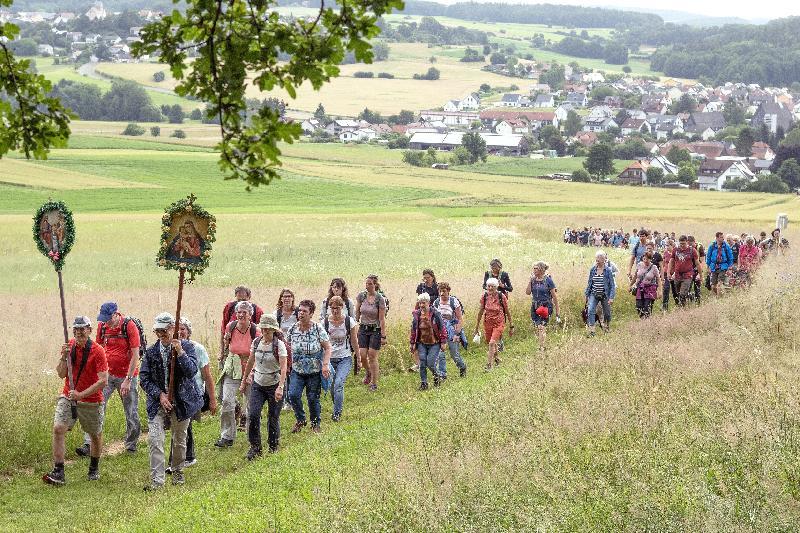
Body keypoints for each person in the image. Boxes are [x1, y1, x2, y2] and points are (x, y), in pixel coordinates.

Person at [43, 316, 108, 486]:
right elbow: (61, 374)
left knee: (95, 434)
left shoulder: (98, 350)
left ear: (89, 330)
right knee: (58, 428)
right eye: (76, 329)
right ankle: (59, 471)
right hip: (68, 395)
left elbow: (103, 381)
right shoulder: (68, 346)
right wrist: (64, 357)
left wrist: (81, 394)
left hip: (91, 400)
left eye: (83, 328)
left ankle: (94, 468)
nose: (79, 332)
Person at [139, 313, 202, 490]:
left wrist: (180, 352)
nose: (161, 334)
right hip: (157, 402)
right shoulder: (151, 352)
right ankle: (157, 481)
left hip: (182, 401)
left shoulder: (187, 347)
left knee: (179, 439)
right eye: (157, 331)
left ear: (172, 329)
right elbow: (144, 378)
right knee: (155, 439)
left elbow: (191, 372)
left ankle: (178, 472)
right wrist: (160, 395)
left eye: (164, 330)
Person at [75, 301, 141, 458]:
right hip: (107, 375)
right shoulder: (103, 326)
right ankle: (89, 444)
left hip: (127, 375)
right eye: (103, 318)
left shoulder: (129, 326)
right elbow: (97, 349)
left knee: (131, 410)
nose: (105, 322)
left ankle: (131, 445)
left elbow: (135, 355)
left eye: (107, 318)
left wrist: (128, 379)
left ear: (115, 314)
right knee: (96, 406)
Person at [167, 317, 216, 473]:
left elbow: (207, 376)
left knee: (182, 424)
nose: (180, 332)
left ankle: (182, 459)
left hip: (192, 393)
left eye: (183, 328)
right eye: (177, 329)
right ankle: (185, 457)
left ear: (188, 331)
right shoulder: (168, 347)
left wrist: (213, 400)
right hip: (176, 393)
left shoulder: (197, 349)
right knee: (181, 425)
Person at [240, 315, 287, 459]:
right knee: (253, 415)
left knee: (273, 417)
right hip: (258, 384)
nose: (265, 332)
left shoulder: (279, 345)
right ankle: (255, 447)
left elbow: (284, 367)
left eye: (268, 330)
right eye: (263, 329)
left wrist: (280, 387)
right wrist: (244, 381)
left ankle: (273, 446)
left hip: (274, 384)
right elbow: (250, 361)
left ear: (273, 330)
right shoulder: (256, 342)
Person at [216, 301, 260, 447]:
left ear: (250, 315)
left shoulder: (255, 331)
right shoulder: (231, 326)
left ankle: (251, 436)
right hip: (233, 368)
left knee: (250, 404)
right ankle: (227, 437)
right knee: (227, 401)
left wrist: (252, 372)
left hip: (250, 368)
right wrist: (222, 354)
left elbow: (258, 354)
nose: (241, 315)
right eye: (239, 312)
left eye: (244, 312)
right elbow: (226, 343)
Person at [287, 300, 332, 433]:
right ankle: (300, 419)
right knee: (293, 395)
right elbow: (287, 348)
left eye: (304, 311)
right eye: (299, 310)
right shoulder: (292, 329)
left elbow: (328, 348)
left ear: (311, 314)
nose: (301, 313)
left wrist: (325, 365)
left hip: (314, 370)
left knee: (313, 398)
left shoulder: (317, 329)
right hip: (297, 370)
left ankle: (315, 424)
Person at [322, 295, 358, 421]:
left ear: (342, 307)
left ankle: (336, 413)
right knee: (332, 386)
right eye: (332, 308)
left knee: (338, 383)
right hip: (330, 359)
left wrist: (358, 358)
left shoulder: (349, 321)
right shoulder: (325, 323)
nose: (335, 311)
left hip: (345, 357)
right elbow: (322, 343)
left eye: (337, 308)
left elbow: (354, 341)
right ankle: (337, 405)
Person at [355, 275, 387, 392]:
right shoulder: (361, 296)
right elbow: (357, 312)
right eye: (366, 283)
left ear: (375, 285)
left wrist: (383, 335)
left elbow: (382, 319)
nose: (367, 286)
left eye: (370, 284)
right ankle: (368, 372)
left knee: (372, 355)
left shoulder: (380, 299)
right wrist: (353, 326)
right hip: (363, 328)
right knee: (362, 355)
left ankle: (374, 383)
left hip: (375, 329)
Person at [410, 293, 448, 390]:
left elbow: (442, 328)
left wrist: (443, 342)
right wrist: (412, 343)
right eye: (420, 303)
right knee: (422, 363)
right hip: (422, 343)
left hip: (434, 343)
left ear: (428, 302)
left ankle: (437, 376)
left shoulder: (435, 313)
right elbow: (414, 330)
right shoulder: (417, 315)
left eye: (424, 303)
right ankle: (424, 383)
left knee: (430, 363)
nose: (422, 305)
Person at [474, 278, 512, 370]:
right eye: (488, 286)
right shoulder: (484, 296)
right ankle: (497, 358)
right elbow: (481, 311)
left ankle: (489, 365)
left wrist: (511, 325)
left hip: (499, 322)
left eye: (492, 286)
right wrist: (477, 326)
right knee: (490, 342)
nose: (490, 288)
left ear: (496, 287)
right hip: (488, 322)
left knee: (492, 343)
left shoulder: (501, 296)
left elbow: (507, 311)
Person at [431, 282, 467, 379]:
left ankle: (462, 367)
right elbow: (434, 319)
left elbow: (460, 319)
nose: (442, 293)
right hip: (440, 331)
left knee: (454, 354)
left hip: (452, 330)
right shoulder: (436, 303)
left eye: (444, 291)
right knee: (440, 353)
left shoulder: (454, 301)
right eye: (440, 291)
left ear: (448, 291)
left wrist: (456, 334)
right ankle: (443, 374)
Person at [525, 261, 560, 351]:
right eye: (534, 268)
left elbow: (555, 297)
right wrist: (529, 281)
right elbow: (528, 292)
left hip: (545, 306)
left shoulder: (548, 280)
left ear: (541, 269)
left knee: (541, 327)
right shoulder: (533, 280)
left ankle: (541, 347)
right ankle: (542, 344)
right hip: (535, 306)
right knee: (538, 327)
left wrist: (557, 313)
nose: (534, 270)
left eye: (536, 268)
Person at [220, 286, 264, 356]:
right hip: (231, 352)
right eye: (239, 300)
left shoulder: (257, 311)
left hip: (249, 354)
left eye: (244, 300)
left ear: (249, 297)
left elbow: (263, 331)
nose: (241, 303)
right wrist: (222, 352)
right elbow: (223, 330)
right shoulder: (229, 308)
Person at [276, 288, 299, 409]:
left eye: (289, 296)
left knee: (292, 374)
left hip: (295, 348)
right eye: (284, 296)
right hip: (281, 348)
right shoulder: (277, 314)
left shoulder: (297, 313)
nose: (287, 298)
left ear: (292, 298)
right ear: (281, 299)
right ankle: (284, 399)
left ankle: (291, 399)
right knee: (283, 373)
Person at [584, 250, 616, 336]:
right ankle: (592, 331)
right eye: (596, 258)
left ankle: (606, 327)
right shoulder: (593, 269)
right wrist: (586, 295)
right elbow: (590, 283)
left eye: (599, 258)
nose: (597, 260)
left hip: (605, 295)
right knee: (590, 310)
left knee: (607, 313)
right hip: (594, 294)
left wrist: (611, 297)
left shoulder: (608, 270)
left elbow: (612, 285)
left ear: (603, 259)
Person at [668, 235, 702, 306]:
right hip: (677, 274)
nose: (682, 245)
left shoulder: (692, 251)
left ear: (687, 242)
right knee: (679, 293)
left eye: (683, 243)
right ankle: (691, 296)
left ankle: (682, 308)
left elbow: (697, 263)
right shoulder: (675, 250)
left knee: (682, 294)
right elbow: (671, 261)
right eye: (681, 243)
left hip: (688, 275)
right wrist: (669, 273)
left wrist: (700, 275)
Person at [631, 251, 661, 318]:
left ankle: (647, 322)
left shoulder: (654, 267)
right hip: (640, 288)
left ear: (650, 259)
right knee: (638, 306)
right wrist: (631, 285)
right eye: (644, 259)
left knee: (647, 307)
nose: (645, 260)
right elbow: (635, 276)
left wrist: (660, 291)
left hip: (650, 289)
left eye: (647, 259)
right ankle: (642, 320)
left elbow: (658, 279)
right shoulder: (639, 265)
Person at [706, 231, 734, 296]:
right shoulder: (712, 246)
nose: (723, 239)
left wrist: (730, 268)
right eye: (721, 237)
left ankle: (718, 299)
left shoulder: (726, 246)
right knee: (713, 286)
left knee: (719, 284)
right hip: (713, 267)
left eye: (723, 237)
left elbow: (730, 257)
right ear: (717, 238)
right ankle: (718, 296)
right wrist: (708, 267)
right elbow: (708, 257)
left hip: (723, 267)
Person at [688, 235, 705, 303]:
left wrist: (699, 273)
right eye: (688, 244)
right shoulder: (686, 248)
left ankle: (698, 302)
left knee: (697, 287)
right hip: (689, 269)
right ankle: (690, 298)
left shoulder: (699, 247)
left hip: (697, 268)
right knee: (687, 287)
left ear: (694, 242)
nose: (690, 246)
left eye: (691, 244)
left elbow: (702, 261)